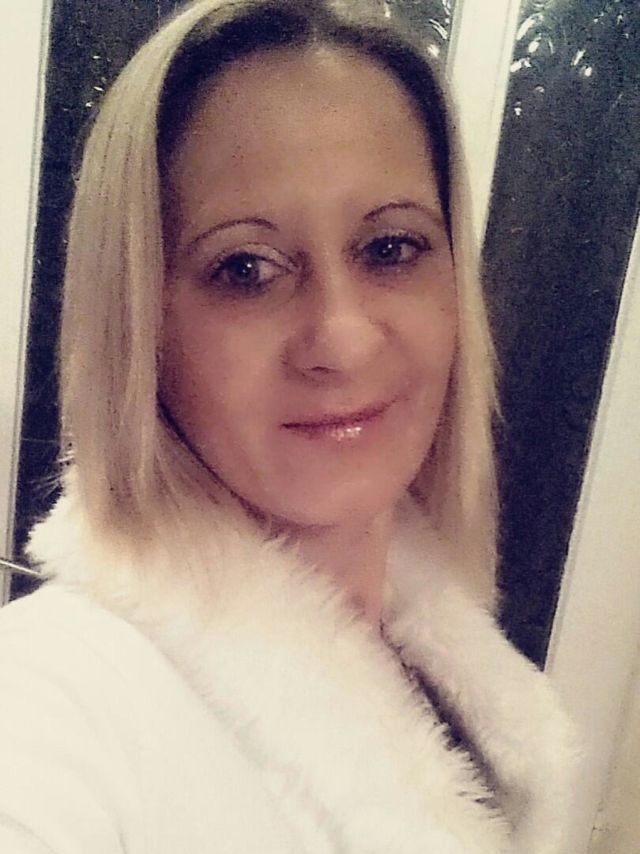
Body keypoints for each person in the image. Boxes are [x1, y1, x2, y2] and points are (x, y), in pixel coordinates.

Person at [0, 1, 578, 852]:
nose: (342, 340)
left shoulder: (451, 668)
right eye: (246, 268)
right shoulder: (52, 700)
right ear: (142, 325)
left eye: (390, 248)